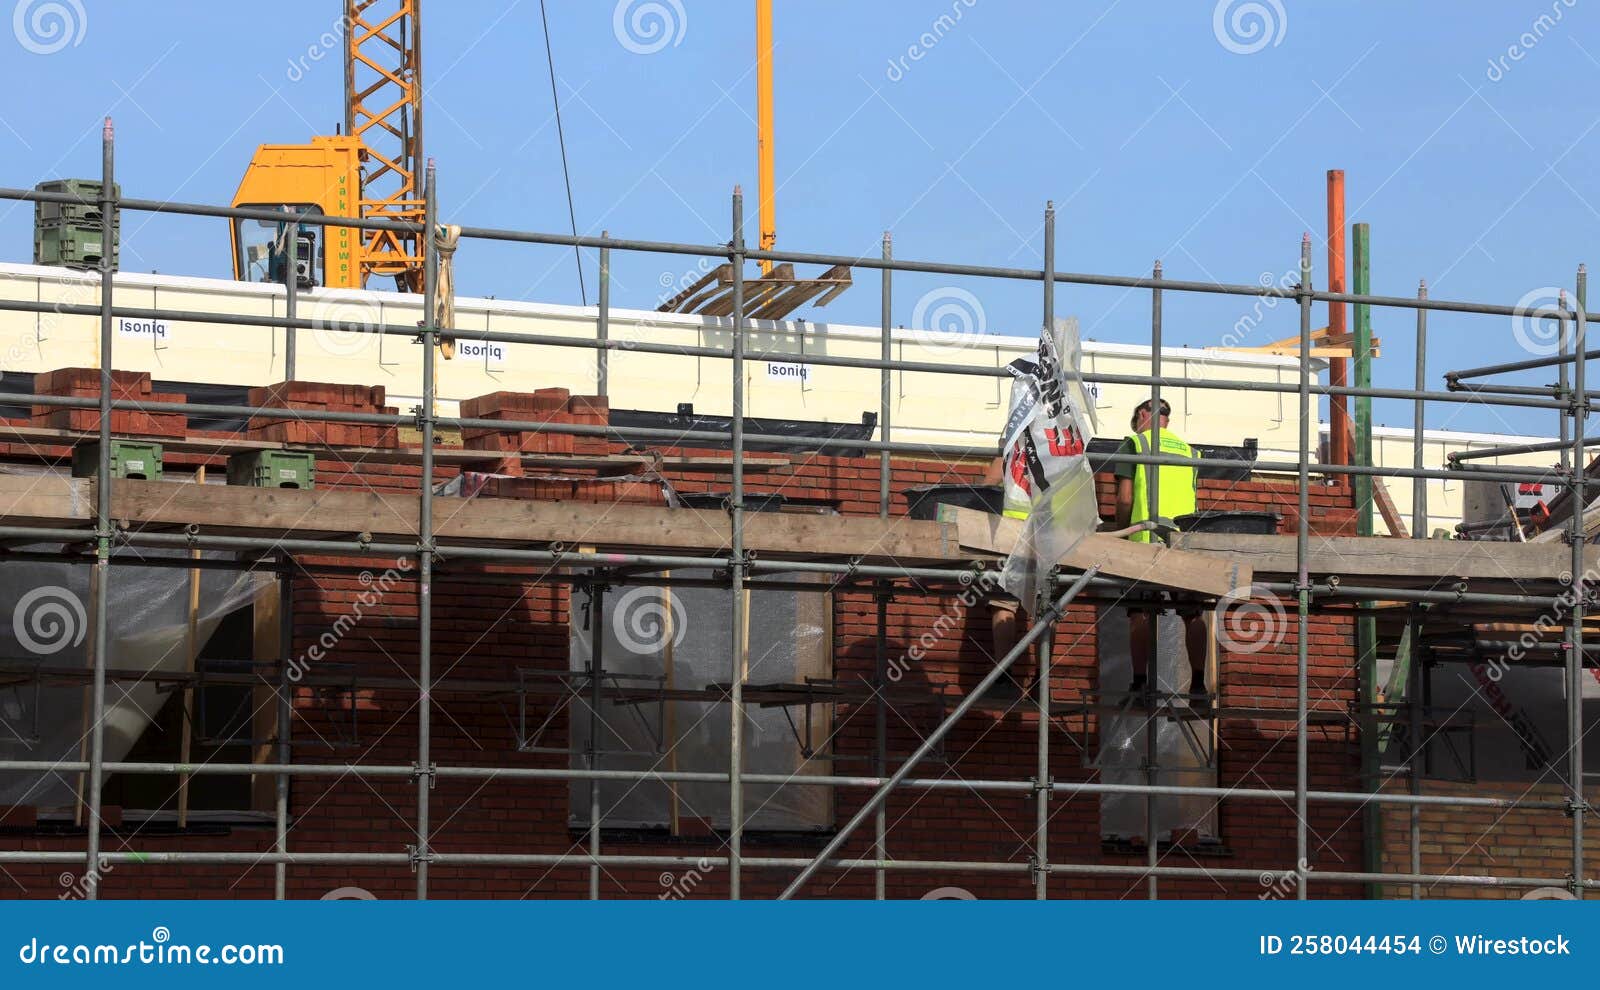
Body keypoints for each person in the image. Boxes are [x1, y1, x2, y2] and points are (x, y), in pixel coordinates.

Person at [1113, 398, 1211, 704]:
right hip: (1181, 542)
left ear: (1143, 414)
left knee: (1139, 612)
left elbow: (1125, 498)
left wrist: (1119, 533)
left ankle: (1139, 683)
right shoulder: (1189, 451)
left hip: (1144, 540)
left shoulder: (1135, 444)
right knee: (1193, 613)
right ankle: (1197, 685)